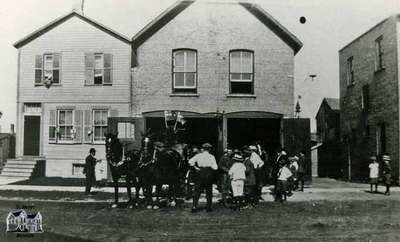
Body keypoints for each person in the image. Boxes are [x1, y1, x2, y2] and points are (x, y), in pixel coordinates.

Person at [189, 143, 218, 212]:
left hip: (200, 172)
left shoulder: (198, 155)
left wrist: (196, 167)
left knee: (197, 190)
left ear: (203, 149)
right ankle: (208, 207)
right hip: (208, 173)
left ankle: (194, 206)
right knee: (208, 191)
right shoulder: (211, 156)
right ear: (209, 149)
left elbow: (190, 162)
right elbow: (215, 167)